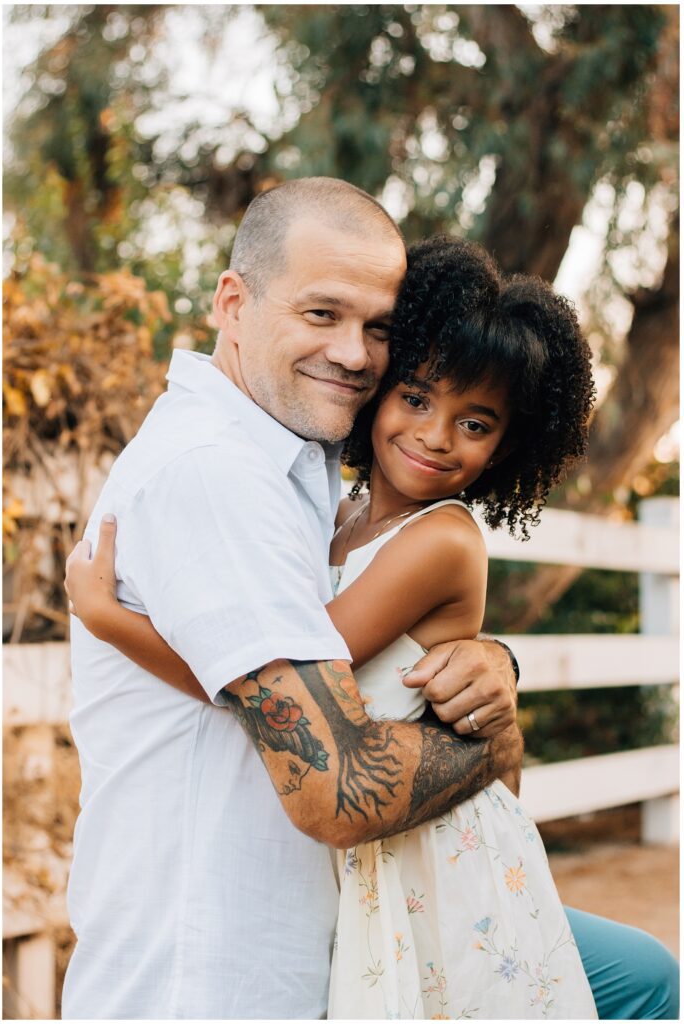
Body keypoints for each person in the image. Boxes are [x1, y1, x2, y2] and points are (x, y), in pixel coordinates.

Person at [65, 186, 679, 1022]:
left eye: (377, 330)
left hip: (412, 871)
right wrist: (487, 740)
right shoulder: (233, 475)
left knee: (632, 978)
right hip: (221, 963)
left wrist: (497, 673)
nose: (354, 354)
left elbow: (318, 651)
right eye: (321, 313)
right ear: (232, 302)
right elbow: (332, 773)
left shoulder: (320, 478)